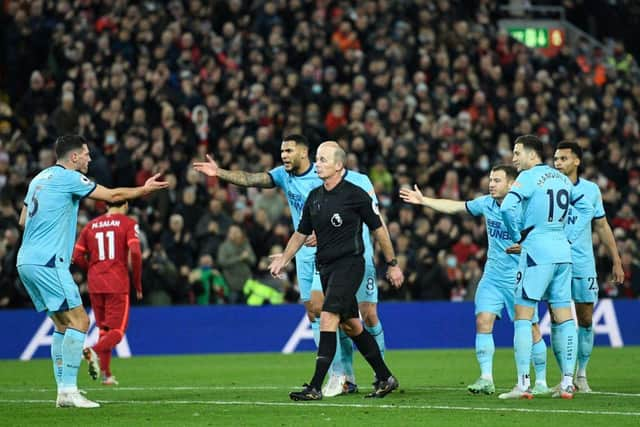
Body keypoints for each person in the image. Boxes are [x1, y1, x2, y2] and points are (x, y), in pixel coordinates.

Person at [193, 135, 388, 396]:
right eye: (281, 150)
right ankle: (353, 376)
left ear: (304, 153)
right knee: (319, 314)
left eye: (288, 150)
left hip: (334, 253)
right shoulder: (285, 177)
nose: (283, 155)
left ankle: (340, 376)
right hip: (303, 254)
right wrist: (219, 173)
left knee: (328, 309)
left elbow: (356, 215)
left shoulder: (338, 181)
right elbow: (252, 179)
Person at [16, 134, 167, 408]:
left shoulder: (38, 179)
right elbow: (113, 195)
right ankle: (71, 391)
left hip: (26, 260)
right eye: (86, 154)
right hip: (49, 261)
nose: (89, 158)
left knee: (62, 324)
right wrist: (144, 190)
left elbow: (24, 219)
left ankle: (63, 391)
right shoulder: (69, 178)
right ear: (73, 157)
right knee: (81, 323)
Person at [268, 141, 404, 401]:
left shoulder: (355, 194)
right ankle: (385, 377)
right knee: (352, 325)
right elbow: (300, 233)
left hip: (350, 265)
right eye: (317, 159)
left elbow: (379, 229)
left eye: (323, 160)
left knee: (328, 317)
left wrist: (393, 263)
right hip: (326, 267)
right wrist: (284, 258)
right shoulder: (315, 197)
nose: (317, 164)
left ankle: (316, 386)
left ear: (339, 166)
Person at [400, 165, 550, 395]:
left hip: (519, 277)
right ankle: (486, 378)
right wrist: (424, 201)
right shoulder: (486, 203)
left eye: (497, 180)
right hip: (492, 276)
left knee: (532, 330)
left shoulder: (525, 207)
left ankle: (541, 381)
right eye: (491, 179)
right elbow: (456, 207)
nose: (491, 184)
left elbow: (543, 237)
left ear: (512, 185)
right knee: (483, 321)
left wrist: (526, 248)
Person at [497, 135, 593, 400]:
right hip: (563, 252)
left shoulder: (527, 178)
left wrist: (518, 234)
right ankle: (566, 383)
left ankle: (523, 384)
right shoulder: (562, 178)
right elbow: (585, 207)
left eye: (517, 153)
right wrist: (569, 234)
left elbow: (506, 207)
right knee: (564, 316)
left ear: (532, 155)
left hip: (537, 251)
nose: (514, 158)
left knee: (523, 315)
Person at [551, 140, 625, 392]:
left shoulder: (591, 190)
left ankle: (581, 374)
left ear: (576, 161)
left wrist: (616, 259)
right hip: (554, 262)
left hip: (582, 262)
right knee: (557, 318)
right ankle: (565, 377)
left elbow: (602, 226)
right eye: (556, 159)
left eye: (563, 158)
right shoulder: (547, 189)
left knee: (584, 318)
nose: (558, 163)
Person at [72, 199, 143, 386]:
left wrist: (92, 269)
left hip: (95, 284)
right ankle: (92, 350)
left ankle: (106, 374)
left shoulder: (91, 225)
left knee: (104, 330)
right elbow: (135, 252)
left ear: (105, 205)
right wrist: (137, 282)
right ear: (126, 205)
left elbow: (77, 256)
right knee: (118, 331)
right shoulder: (128, 223)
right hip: (117, 282)